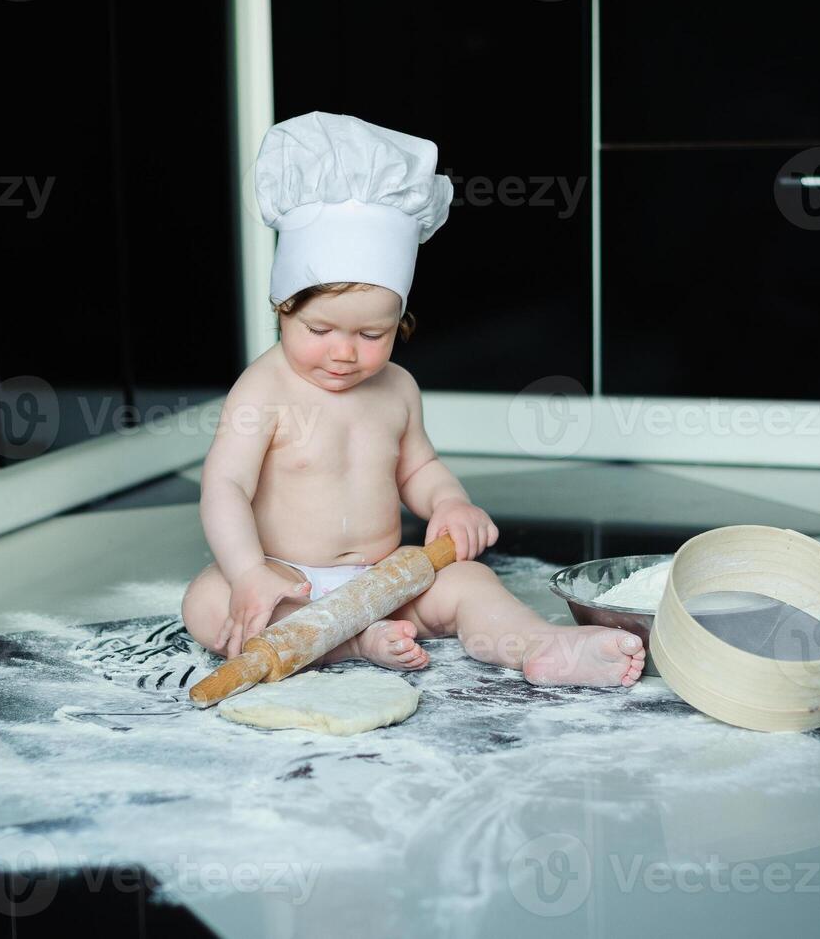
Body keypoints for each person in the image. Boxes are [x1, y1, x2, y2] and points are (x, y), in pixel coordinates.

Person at [180, 112, 645, 687]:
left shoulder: (397, 387)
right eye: (320, 331)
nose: (344, 354)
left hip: (386, 578)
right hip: (287, 583)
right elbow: (225, 485)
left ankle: (537, 647)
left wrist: (449, 503)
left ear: (400, 323)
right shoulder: (264, 388)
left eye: (370, 335)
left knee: (471, 584)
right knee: (207, 601)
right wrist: (248, 571)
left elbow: (418, 467)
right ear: (283, 307)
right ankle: (350, 642)